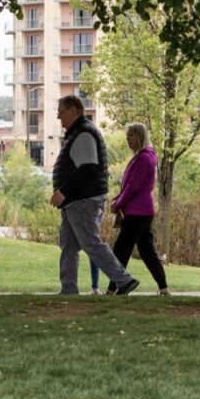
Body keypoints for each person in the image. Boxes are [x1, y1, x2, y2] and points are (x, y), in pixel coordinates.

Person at [50, 95, 139, 296]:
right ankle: (68, 290)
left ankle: (124, 280)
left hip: (83, 200)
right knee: (69, 246)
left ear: (73, 111)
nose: (58, 116)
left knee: (91, 243)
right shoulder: (78, 133)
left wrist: (63, 192)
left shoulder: (83, 134)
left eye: (61, 112)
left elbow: (87, 169)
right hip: (76, 201)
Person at [96, 123, 170, 295]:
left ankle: (113, 288)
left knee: (121, 250)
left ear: (139, 137)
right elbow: (129, 186)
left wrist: (118, 203)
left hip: (137, 212)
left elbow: (133, 187)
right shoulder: (143, 157)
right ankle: (163, 288)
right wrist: (118, 198)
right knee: (146, 251)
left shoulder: (144, 158)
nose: (127, 139)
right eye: (127, 136)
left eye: (130, 136)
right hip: (142, 211)